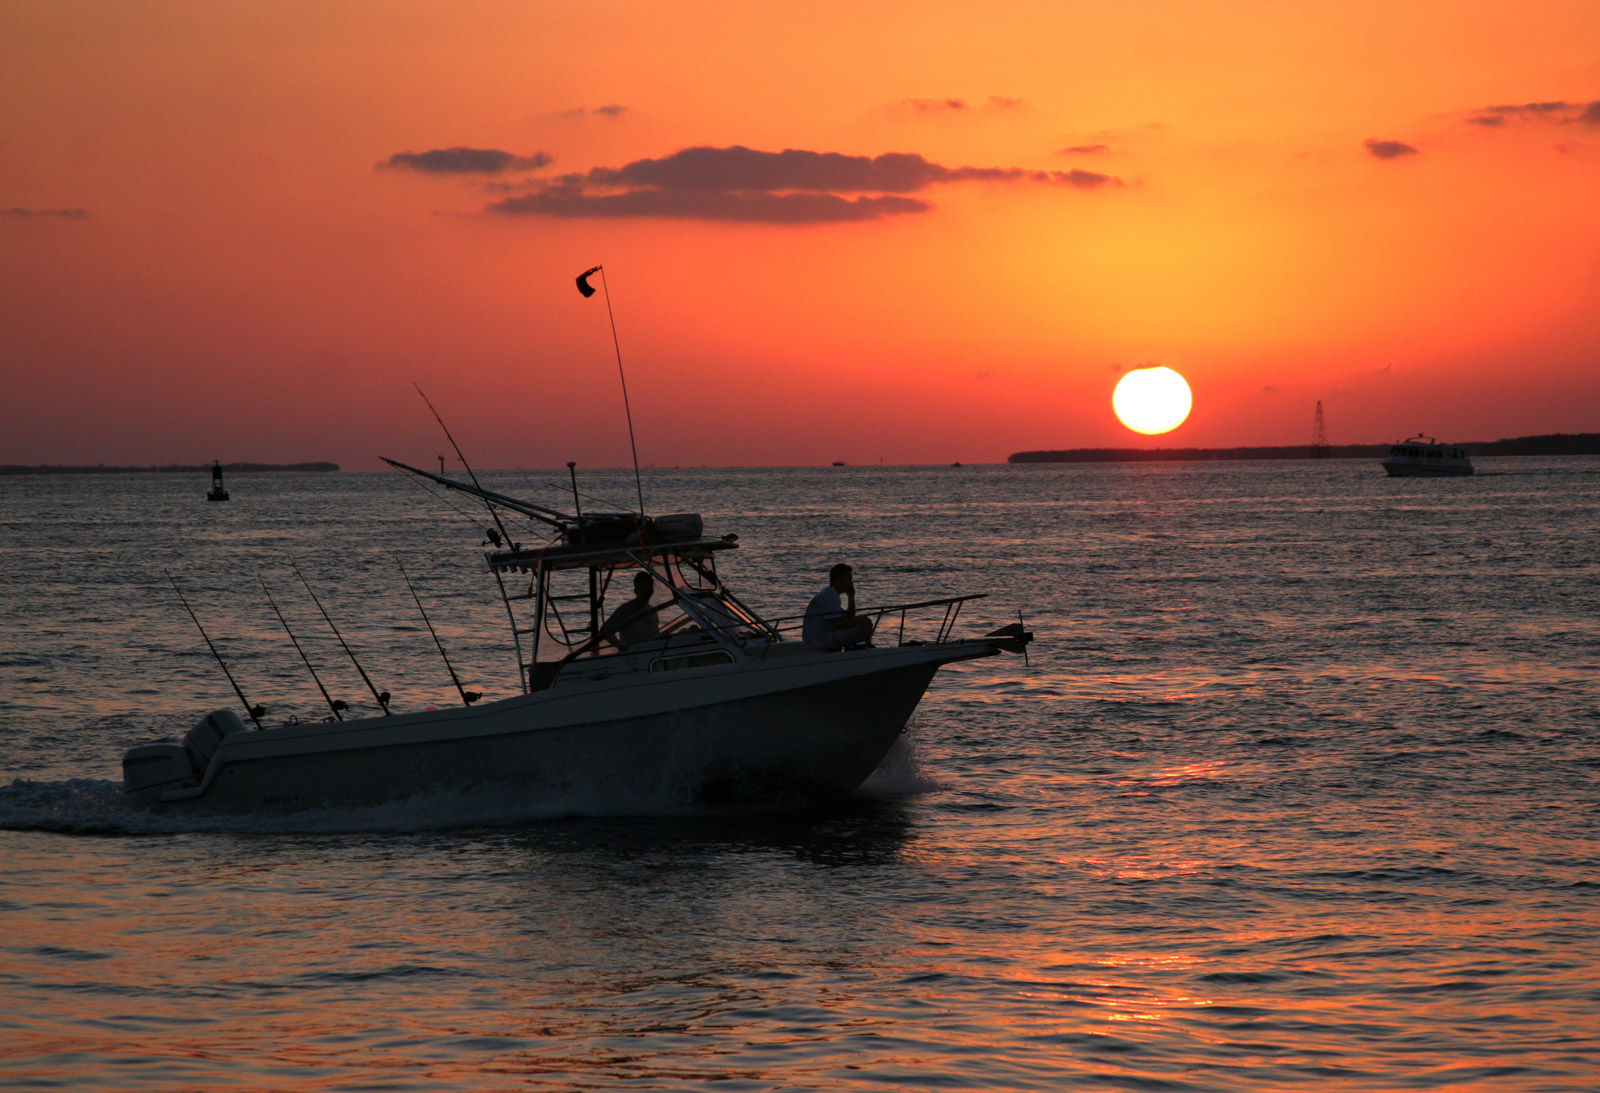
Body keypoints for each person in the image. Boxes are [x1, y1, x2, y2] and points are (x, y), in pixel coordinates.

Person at [802, 563, 874, 649]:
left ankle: (856, 648)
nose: (850, 583)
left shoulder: (831, 593)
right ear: (839, 579)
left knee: (864, 622)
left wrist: (851, 597)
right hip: (819, 639)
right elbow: (837, 624)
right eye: (849, 579)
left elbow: (849, 617)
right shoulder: (830, 594)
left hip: (821, 636)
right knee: (864, 625)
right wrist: (860, 620)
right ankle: (862, 650)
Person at [602, 571, 660, 650]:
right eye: (643, 587)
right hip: (633, 656)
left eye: (649, 586)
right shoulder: (626, 610)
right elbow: (605, 630)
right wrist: (622, 647)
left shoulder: (652, 610)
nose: (646, 590)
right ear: (635, 590)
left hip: (652, 653)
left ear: (652, 590)